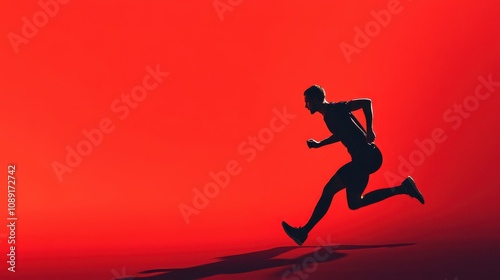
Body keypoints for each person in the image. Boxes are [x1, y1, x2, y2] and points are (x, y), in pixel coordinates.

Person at [282, 85, 424, 246]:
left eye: (307, 102)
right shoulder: (328, 117)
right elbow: (340, 134)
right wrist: (319, 144)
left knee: (329, 190)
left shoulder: (336, 109)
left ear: (315, 100)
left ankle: (303, 232)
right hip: (364, 159)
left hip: (366, 157)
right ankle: (404, 188)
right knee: (355, 202)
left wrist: (370, 130)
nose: (305, 106)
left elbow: (366, 102)